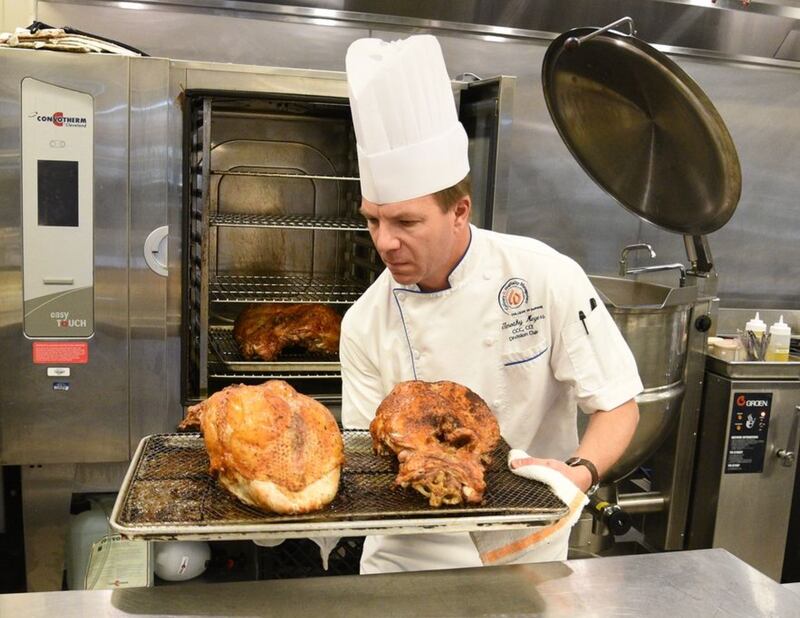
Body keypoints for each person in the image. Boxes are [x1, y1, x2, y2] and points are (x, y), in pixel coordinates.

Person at [340, 34, 642, 574]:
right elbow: (369, 455)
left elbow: (617, 403)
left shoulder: (543, 275)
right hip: (405, 556)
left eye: (406, 222)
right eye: (373, 220)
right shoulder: (365, 321)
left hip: (524, 544)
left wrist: (580, 472)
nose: (384, 241)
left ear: (459, 210)